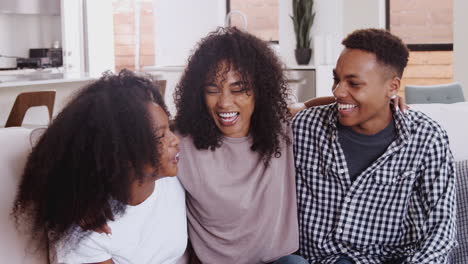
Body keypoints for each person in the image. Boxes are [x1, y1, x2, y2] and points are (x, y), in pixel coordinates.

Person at [293, 28, 456, 264]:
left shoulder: (427, 138)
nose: (337, 91)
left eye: (354, 83)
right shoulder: (306, 127)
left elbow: (440, 232)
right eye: (336, 79)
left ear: (392, 87)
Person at [12, 70, 187, 264]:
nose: (176, 140)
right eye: (160, 136)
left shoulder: (171, 177)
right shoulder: (88, 230)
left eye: (169, 129)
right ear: (119, 152)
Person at [173, 27, 309, 264]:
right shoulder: (179, 142)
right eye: (212, 90)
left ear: (260, 91)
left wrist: (385, 102)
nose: (224, 102)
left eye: (238, 89)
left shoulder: (281, 127)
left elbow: (320, 107)